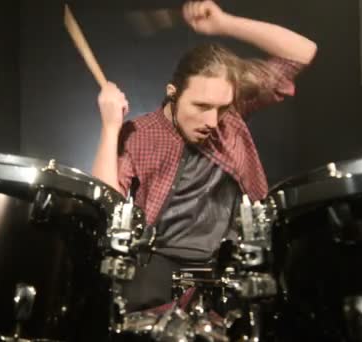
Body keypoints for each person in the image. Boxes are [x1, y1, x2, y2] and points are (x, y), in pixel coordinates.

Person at [91, 0, 317, 312]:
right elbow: (106, 206)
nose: (212, 121)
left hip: (230, 262)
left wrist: (226, 23)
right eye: (200, 106)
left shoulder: (232, 114)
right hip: (159, 262)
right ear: (173, 92)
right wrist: (110, 127)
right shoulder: (138, 133)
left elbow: (302, 52)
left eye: (221, 108)